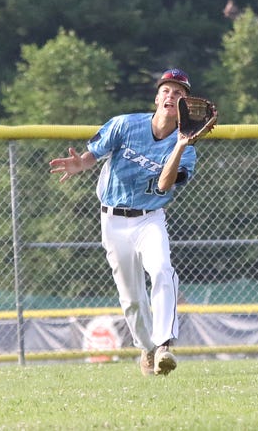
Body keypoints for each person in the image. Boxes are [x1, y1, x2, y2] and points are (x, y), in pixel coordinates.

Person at [49, 68, 198, 376]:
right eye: (167, 90)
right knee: (131, 298)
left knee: (162, 270)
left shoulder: (188, 149)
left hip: (149, 220)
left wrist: (181, 144)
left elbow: (164, 185)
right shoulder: (125, 125)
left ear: (186, 105)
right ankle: (147, 349)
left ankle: (165, 345)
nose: (172, 95)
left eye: (179, 93)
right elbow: (93, 154)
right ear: (157, 98)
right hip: (113, 220)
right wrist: (81, 164)